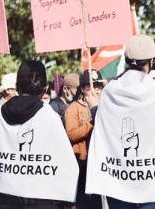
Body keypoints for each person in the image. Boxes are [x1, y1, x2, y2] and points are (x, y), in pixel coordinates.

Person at [86, 35, 155, 208]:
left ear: (128, 59)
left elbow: (104, 129)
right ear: (152, 61)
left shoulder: (110, 91)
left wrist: (95, 109)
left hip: (119, 181)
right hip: (153, 182)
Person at [0, 60, 79, 208]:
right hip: (43, 199)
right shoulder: (50, 116)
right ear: (45, 88)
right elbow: (66, 162)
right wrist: (69, 200)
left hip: (6, 198)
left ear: (16, 87)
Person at [65, 69, 104, 208]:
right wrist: (91, 124)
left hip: (100, 163)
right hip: (82, 163)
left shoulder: (105, 106)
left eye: (98, 86)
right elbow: (71, 134)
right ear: (82, 88)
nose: (96, 90)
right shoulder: (73, 108)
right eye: (90, 86)